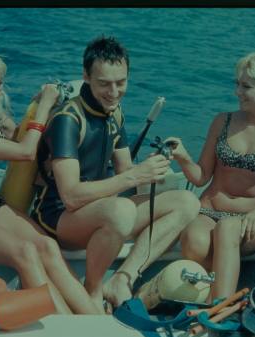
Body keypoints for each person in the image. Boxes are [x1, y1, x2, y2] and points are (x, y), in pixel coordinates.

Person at [31, 36, 200, 311]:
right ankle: (93, 289)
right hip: (59, 217)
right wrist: (135, 177)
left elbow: (125, 171)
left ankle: (122, 279)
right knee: (121, 211)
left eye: (121, 83)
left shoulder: (114, 113)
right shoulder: (68, 120)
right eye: (104, 84)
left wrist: (153, 169)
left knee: (187, 202)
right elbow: (71, 197)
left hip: (103, 210)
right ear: (86, 76)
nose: (113, 92)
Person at [0, 45, 101, 315]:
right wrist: (44, 106)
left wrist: (45, 108)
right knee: (24, 252)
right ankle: (68, 331)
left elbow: (23, 135)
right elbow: (24, 152)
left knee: (46, 245)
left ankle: (96, 323)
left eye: (0, 84)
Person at [166, 47, 255, 301]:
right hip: (208, 210)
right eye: (237, 84)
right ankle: (213, 299)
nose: (237, 92)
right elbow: (201, 177)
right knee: (196, 242)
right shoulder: (223, 121)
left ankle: (218, 309)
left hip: (250, 220)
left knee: (229, 229)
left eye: (246, 87)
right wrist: (183, 157)